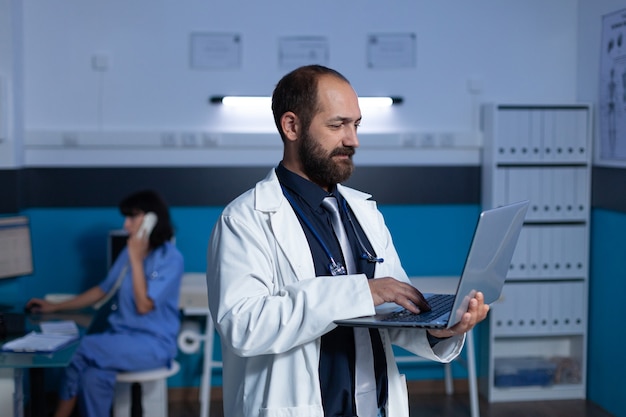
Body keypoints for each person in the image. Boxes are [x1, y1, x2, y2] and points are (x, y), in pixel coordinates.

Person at [206, 64, 489, 417]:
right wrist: (362, 292)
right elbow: (243, 326)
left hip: (375, 406)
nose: (352, 140)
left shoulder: (363, 212)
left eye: (356, 125)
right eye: (337, 125)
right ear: (291, 126)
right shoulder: (246, 219)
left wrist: (443, 330)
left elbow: (394, 311)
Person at [26, 189, 184, 417]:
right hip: (119, 339)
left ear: (152, 219)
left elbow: (143, 305)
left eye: (132, 217)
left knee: (76, 350)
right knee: (92, 377)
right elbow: (102, 290)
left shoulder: (170, 258)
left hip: (152, 345)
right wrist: (55, 307)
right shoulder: (129, 254)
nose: (126, 224)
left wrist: (136, 260)